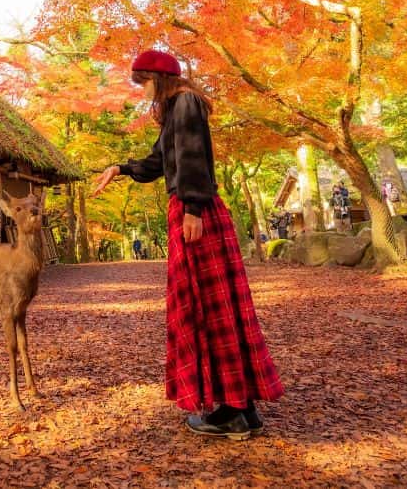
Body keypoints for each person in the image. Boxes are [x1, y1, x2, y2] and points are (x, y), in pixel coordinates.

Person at [92, 49, 283, 440]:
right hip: (192, 209)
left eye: (143, 82)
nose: (142, 91)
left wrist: (193, 208)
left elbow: (193, 158)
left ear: (158, 78)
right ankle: (240, 408)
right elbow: (157, 162)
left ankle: (233, 411)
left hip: (196, 212)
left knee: (209, 307)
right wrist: (120, 168)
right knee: (215, 306)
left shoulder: (186, 103)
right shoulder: (176, 109)